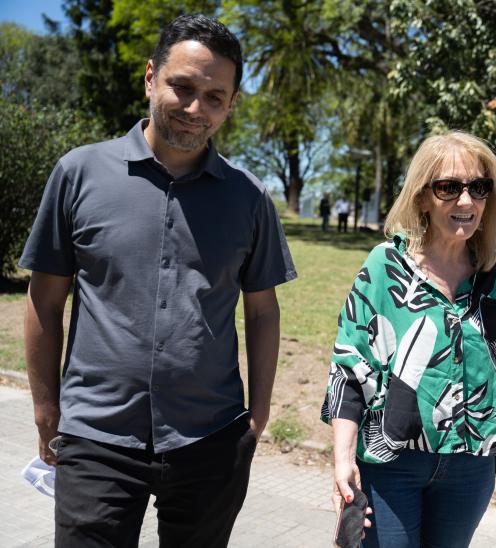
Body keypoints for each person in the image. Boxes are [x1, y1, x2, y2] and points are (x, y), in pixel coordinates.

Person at [20, 14, 296, 547]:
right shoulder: (79, 173)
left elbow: (263, 310)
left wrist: (255, 419)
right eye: (183, 87)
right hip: (95, 435)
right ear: (151, 77)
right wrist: (46, 409)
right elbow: (45, 299)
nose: (197, 109)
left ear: (232, 103)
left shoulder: (249, 198)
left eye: (216, 97)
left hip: (211, 436)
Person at [321, 131, 496, 547]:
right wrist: (343, 460)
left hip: (471, 467)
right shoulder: (386, 266)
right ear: (422, 196)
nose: (466, 201)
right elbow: (349, 366)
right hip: (392, 463)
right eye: (448, 187)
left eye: (478, 188)